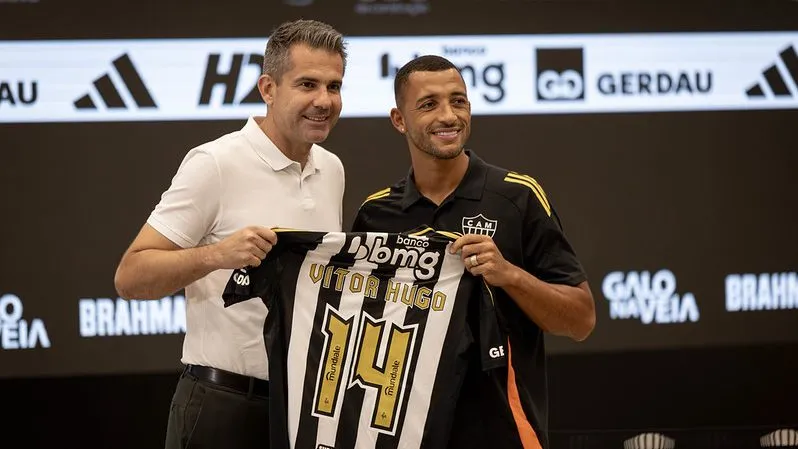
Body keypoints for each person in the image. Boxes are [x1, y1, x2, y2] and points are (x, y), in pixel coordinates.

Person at [113, 19, 348, 449]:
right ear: (268, 89)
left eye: (334, 86)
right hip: (223, 406)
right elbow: (130, 276)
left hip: (302, 410)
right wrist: (216, 255)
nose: (324, 101)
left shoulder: (331, 169)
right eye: (307, 84)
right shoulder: (215, 163)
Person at [351, 55, 596, 449]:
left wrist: (509, 274)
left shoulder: (518, 197)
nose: (449, 116)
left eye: (458, 101)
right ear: (399, 120)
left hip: (504, 435)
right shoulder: (375, 214)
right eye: (429, 104)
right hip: (405, 436)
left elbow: (581, 320)